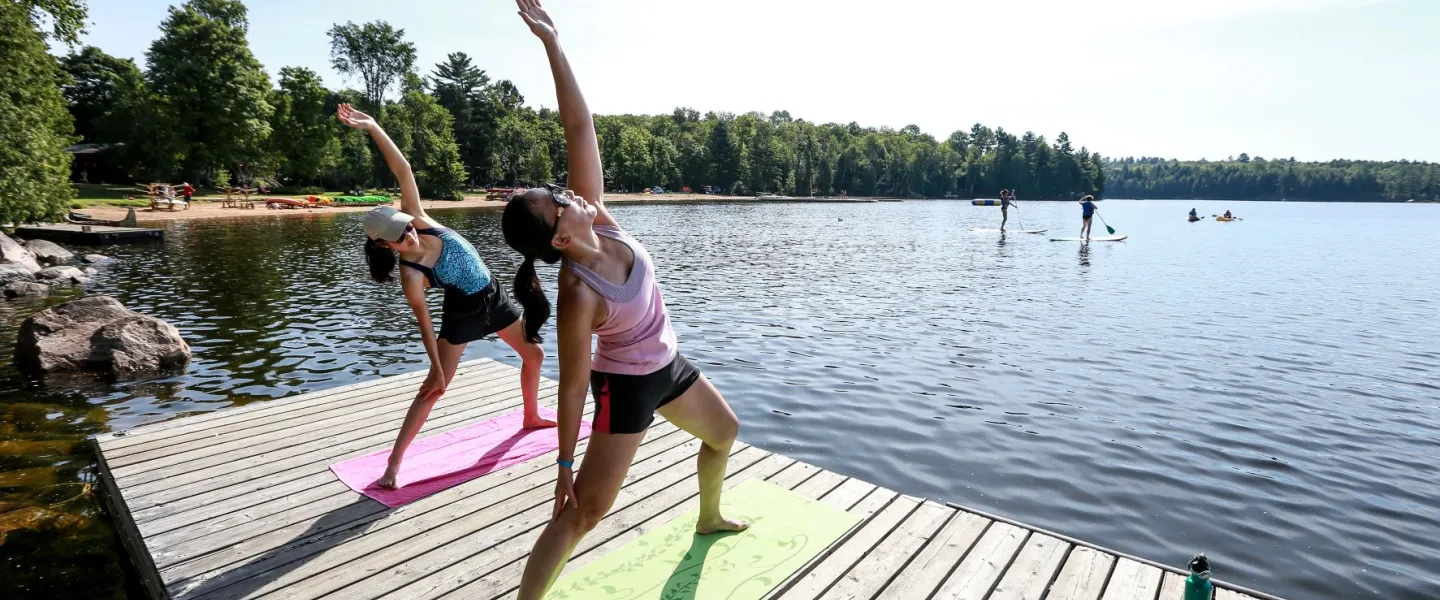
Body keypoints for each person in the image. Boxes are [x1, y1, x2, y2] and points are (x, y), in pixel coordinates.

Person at [500, 1, 746, 596]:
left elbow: (578, 128)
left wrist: (554, 47)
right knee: (582, 512)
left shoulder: (599, 219)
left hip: (667, 366)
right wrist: (563, 464)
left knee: (725, 432)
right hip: (625, 390)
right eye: (560, 200)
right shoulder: (579, 293)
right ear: (560, 234)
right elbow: (574, 385)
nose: (570, 192)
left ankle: (709, 515)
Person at [338, 102, 556, 490]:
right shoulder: (411, 276)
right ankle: (392, 465)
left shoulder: (420, 220)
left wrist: (373, 127)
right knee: (433, 388)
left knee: (534, 354)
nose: (409, 234)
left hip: (494, 295)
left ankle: (531, 416)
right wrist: (436, 366)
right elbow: (425, 325)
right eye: (399, 236)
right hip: (463, 313)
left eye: (406, 227)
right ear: (385, 246)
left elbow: (402, 169)